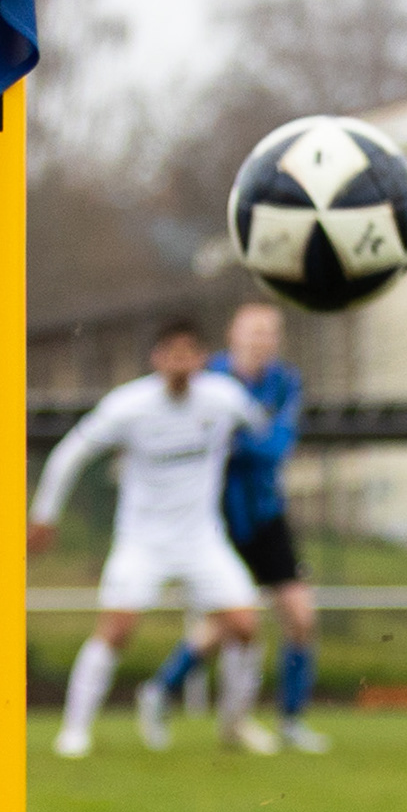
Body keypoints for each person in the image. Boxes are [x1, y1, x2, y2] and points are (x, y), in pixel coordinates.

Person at [31, 319, 277, 761]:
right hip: (142, 541)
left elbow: (265, 432)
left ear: (203, 358)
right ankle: (74, 732)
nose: (180, 362)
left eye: (189, 353)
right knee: (116, 630)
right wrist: (45, 515)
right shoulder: (129, 406)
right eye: (171, 353)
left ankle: (235, 725)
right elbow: (72, 451)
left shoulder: (224, 398)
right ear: (156, 358)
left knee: (245, 625)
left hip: (203, 539)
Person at [140, 303, 322, 752]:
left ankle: (291, 720)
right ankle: (163, 691)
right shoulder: (210, 376)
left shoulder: (285, 382)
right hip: (217, 515)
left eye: (268, 333)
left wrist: (240, 441)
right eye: (252, 332)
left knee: (300, 616)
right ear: (232, 335)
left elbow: (276, 446)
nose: (260, 340)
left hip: (266, 512)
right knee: (228, 623)